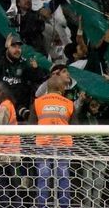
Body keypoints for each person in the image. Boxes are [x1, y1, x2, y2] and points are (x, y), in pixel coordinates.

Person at [32, 65, 74, 208]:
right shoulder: (69, 103)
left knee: (43, 177)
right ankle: (64, 206)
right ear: (62, 88)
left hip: (43, 143)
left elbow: (31, 124)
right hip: (63, 144)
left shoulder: (37, 102)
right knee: (63, 177)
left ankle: (42, 205)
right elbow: (76, 127)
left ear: (47, 88)